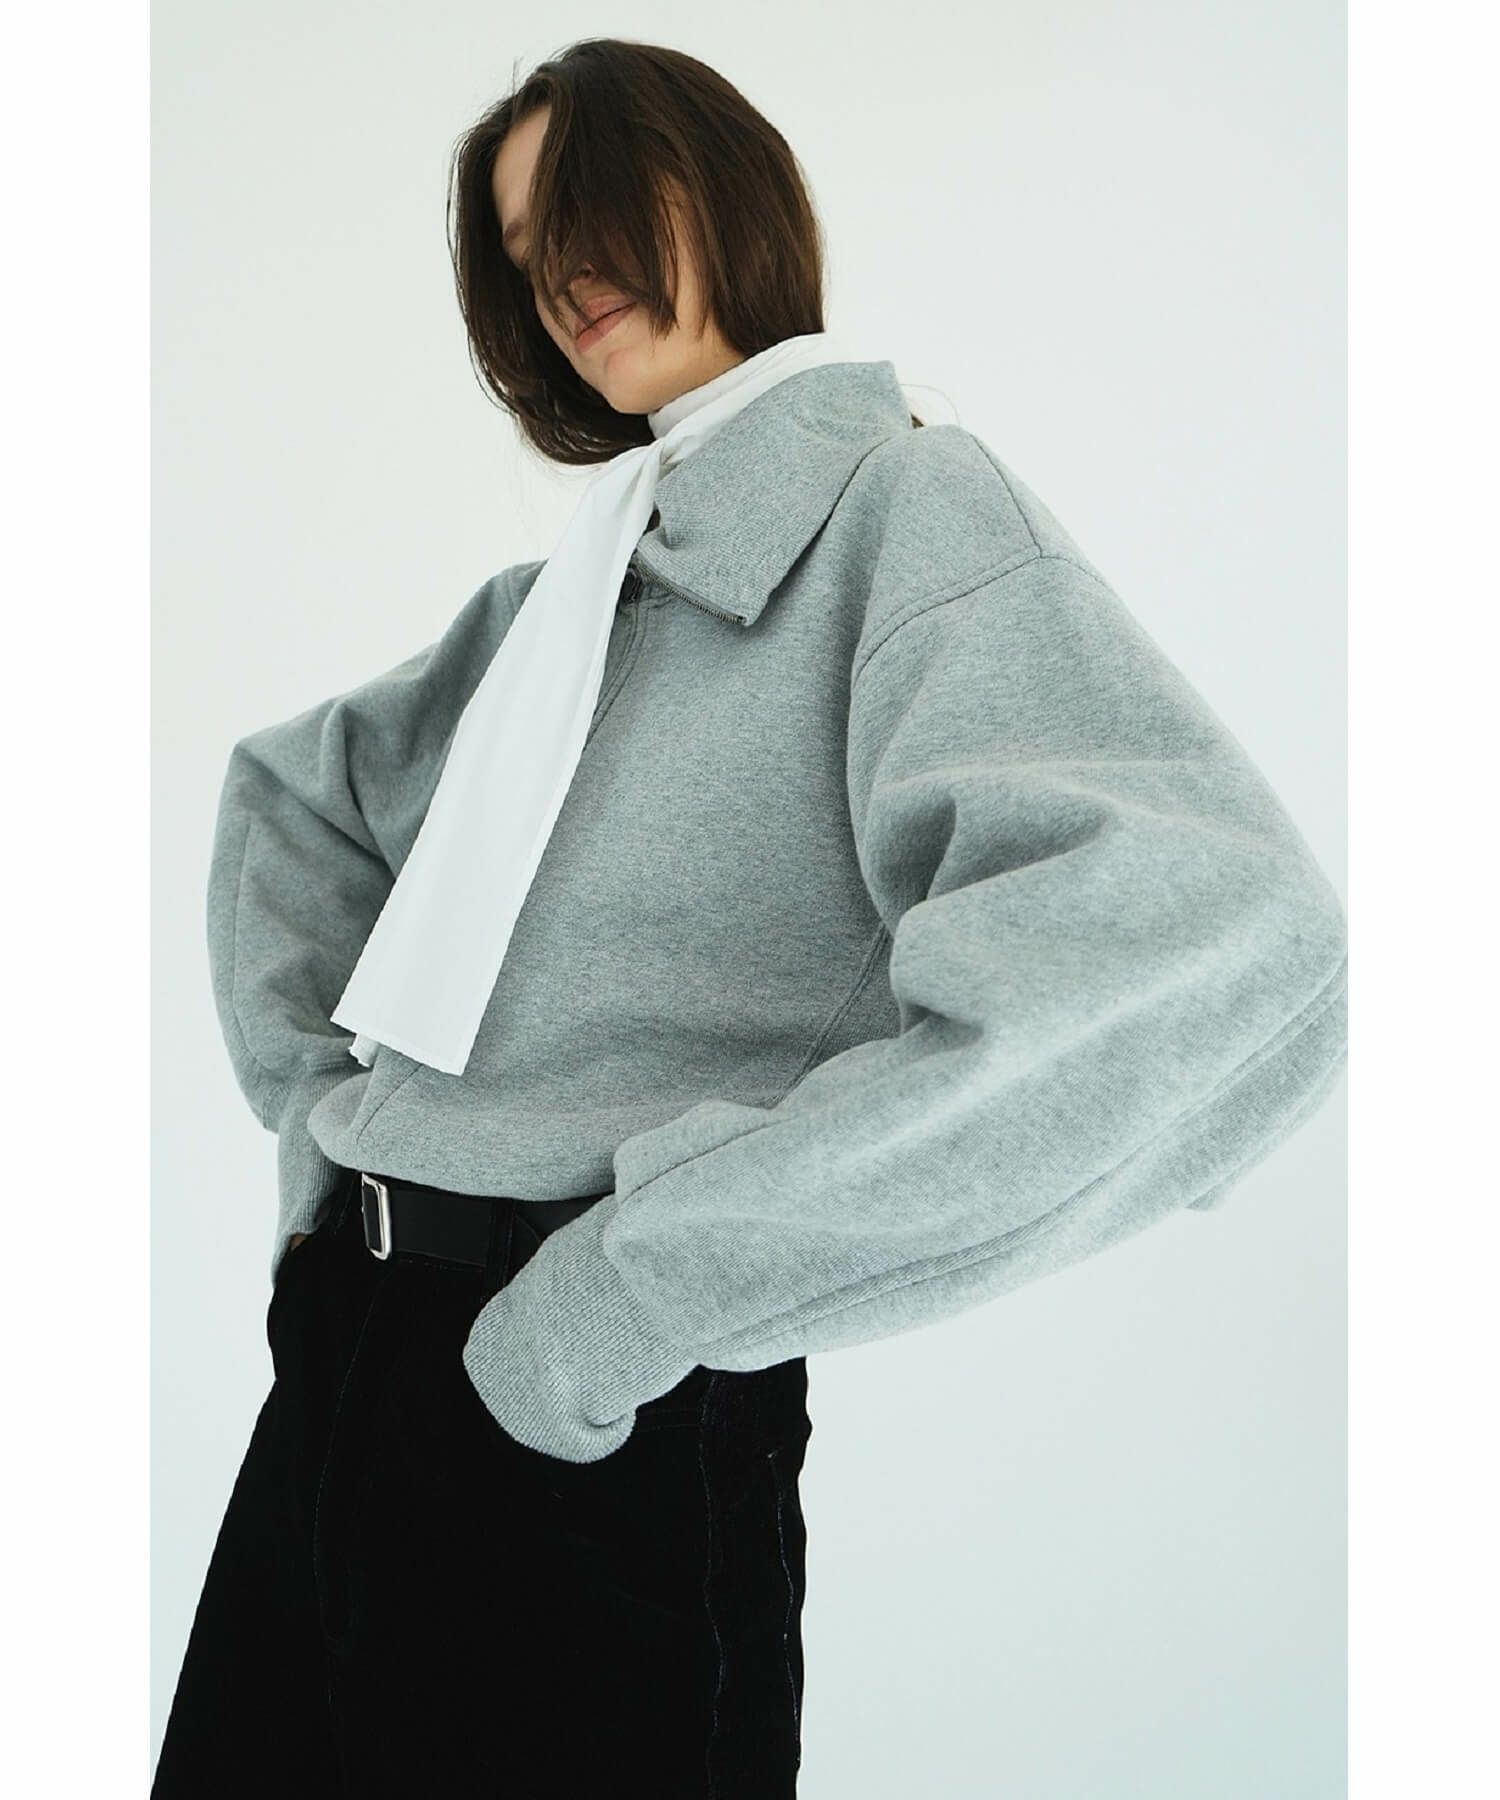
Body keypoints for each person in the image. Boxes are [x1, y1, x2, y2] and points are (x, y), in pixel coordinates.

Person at [153, 35, 1349, 1800]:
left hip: (579, 1412)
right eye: (523, 250)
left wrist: (627, 1296)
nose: (565, 279)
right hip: (358, 1366)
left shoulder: (909, 514)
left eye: (593, 207)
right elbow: (294, 799)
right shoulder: (569, 593)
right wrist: (326, 1149)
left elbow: (1216, 941)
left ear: (728, 191)